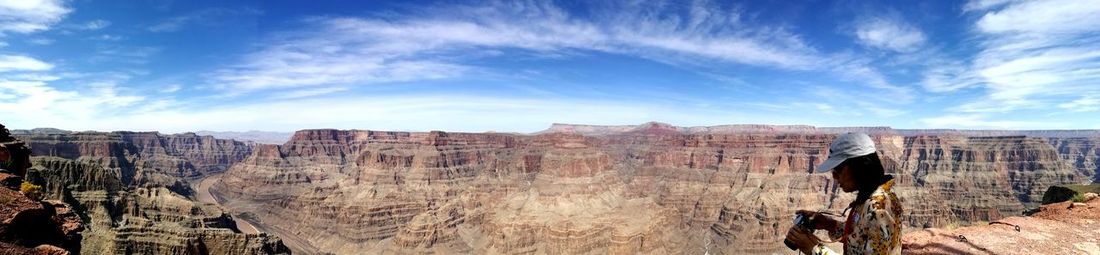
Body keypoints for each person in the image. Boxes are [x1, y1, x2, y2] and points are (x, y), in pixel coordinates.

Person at [785, 133, 902, 255]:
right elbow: (861, 236)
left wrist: (814, 249)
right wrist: (829, 224)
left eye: (838, 169)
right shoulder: (870, 196)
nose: (834, 176)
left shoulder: (878, 209)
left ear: (859, 167)